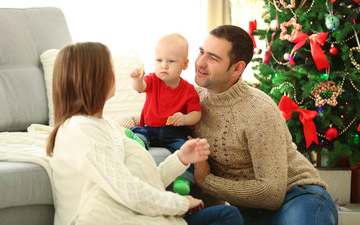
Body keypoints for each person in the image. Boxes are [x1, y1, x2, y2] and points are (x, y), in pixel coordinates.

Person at [46, 42, 244, 225]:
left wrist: (180, 159)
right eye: (109, 69)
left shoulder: (106, 126)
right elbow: (127, 191)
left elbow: (143, 182)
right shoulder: (80, 130)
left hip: (139, 216)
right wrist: (180, 203)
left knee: (229, 214)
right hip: (118, 219)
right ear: (94, 79)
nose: (114, 75)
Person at [192, 25, 338, 225]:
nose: (200, 62)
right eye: (201, 52)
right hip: (250, 211)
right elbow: (154, 116)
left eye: (213, 58)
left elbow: (271, 193)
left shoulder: (257, 110)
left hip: (298, 195)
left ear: (237, 68)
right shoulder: (193, 100)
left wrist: (207, 182)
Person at [127, 33, 201, 195]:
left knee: (186, 150)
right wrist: (137, 79)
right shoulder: (153, 80)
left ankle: (183, 179)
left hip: (175, 132)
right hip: (150, 127)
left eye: (171, 61)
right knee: (140, 132)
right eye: (159, 60)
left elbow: (197, 114)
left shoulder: (188, 90)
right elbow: (140, 87)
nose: (164, 66)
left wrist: (186, 118)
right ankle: (137, 142)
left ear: (185, 64)